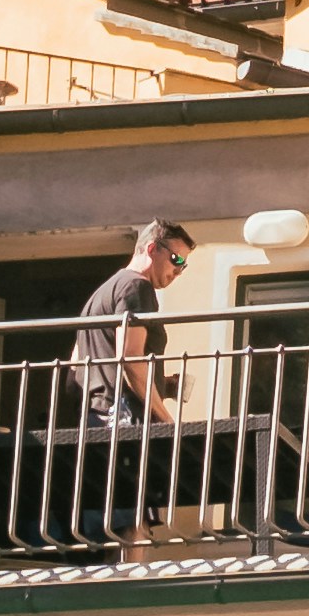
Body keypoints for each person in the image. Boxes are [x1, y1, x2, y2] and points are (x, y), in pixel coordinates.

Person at [49, 216, 196, 548]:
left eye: (184, 266)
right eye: (176, 259)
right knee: (133, 527)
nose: (178, 270)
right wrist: (164, 417)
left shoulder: (100, 295)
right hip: (124, 418)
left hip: (96, 419)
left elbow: (76, 368)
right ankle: (136, 591)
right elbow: (129, 359)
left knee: (105, 526)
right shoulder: (137, 286)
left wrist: (159, 383)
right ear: (150, 248)